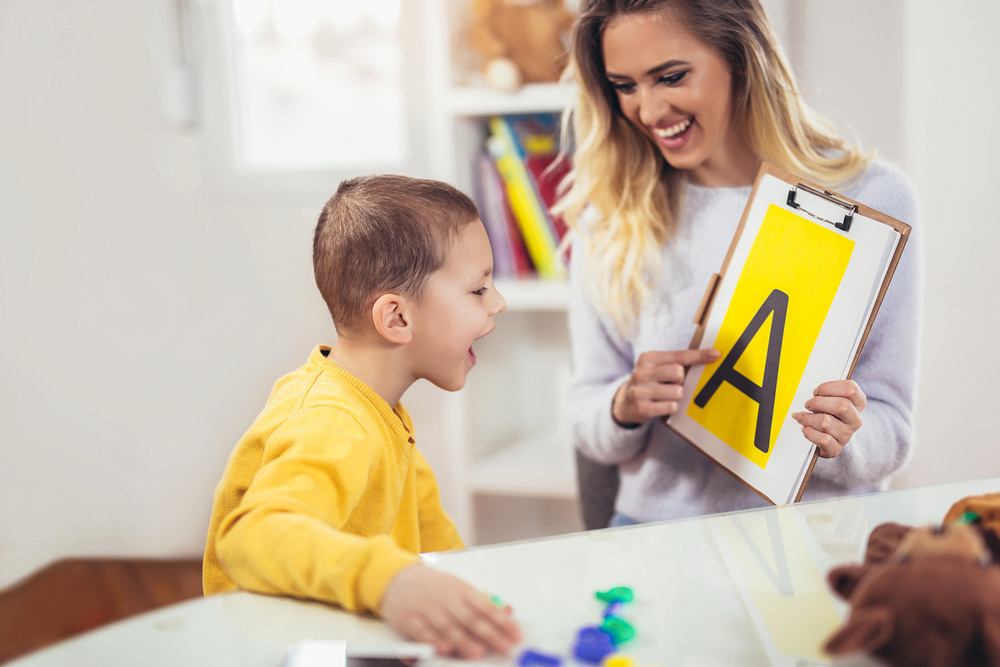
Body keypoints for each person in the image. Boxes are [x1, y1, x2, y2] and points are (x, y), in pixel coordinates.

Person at [558, 0, 923, 526]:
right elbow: (585, 412)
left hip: (816, 540)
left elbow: (893, 425)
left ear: (739, 58)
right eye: (625, 86)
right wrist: (624, 405)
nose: (650, 110)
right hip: (660, 539)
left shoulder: (874, 200)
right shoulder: (609, 218)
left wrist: (846, 440)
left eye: (672, 76)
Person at [202, 174, 519, 658]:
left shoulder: (382, 410)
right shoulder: (333, 422)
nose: (498, 302)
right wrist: (390, 581)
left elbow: (434, 541)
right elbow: (251, 537)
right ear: (396, 319)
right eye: (478, 290)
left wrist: (471, 602)